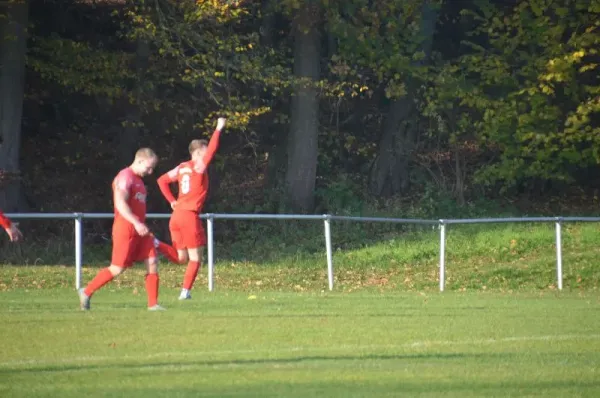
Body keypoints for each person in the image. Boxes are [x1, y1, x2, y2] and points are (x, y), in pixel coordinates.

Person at [78, 148, 165, 311]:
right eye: (149, 167)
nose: (150, 171)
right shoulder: (125, 177)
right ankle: (87, 291)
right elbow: (120, 203)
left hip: (140, 229)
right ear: (139, 160)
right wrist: (136, 223)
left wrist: (140, 225)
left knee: (152, 261)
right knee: (117, 268)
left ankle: (153, 305)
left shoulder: (139, 180)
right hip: (126, 228)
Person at [155, 117, 226, 300]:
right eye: (203, 151)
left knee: (181, 259)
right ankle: (185, 292)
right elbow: (212, 150)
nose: (206, 155)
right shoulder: (197, 166)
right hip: (189, 216)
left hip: (176, 215)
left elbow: (161, 180)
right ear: (196, 153)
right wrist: (218, 128)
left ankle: (156, 244)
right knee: (196, 258)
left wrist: (172, 201)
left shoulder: (181, 167)